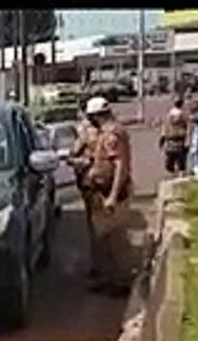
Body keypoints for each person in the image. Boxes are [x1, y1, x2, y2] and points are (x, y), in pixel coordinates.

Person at [69, 96, 134, 296]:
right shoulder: (108, 133)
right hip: (99, 190)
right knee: (103, 237)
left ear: (97, 116)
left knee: (113, 239)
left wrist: (113, 196)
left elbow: (120, 166)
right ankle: (109, 279)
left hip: (109, 192)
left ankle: (120, 282)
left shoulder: (112, 135)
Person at [158, 96, 190, 178]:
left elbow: (164, 130)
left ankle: (174, 176)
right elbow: (188, 129)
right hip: (179, 141)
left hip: (171, 142)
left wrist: (161, 141)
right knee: (181, 164)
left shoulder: (169, 115)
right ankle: (179, 176)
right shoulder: (184, 115)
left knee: (170, 164)